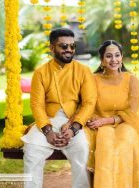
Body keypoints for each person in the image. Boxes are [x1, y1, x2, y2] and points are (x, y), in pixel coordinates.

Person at [86, 40, 139, 188]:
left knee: (126, 141)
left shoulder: (131, 79)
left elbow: (131, 111)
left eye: (117, 55)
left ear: (122, 57)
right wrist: (97, 121)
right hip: (99, 124)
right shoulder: (93, 80)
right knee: (105, 144)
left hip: (126, 122)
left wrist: (107, 121)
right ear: (102, 60)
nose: (114, 60)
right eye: (109, 56)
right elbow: (88, 104)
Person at [21, 28, 97, 188]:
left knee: (82, 149)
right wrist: (48, 131)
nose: (69, 50)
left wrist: (74, 128)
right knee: (32, 149)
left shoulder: (83, 71)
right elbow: (37, 105)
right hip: (47, 122)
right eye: (64, 46)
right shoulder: (40, 72)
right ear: (52, 48)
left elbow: (89, 103)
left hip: (73, 122)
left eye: (72, 46)